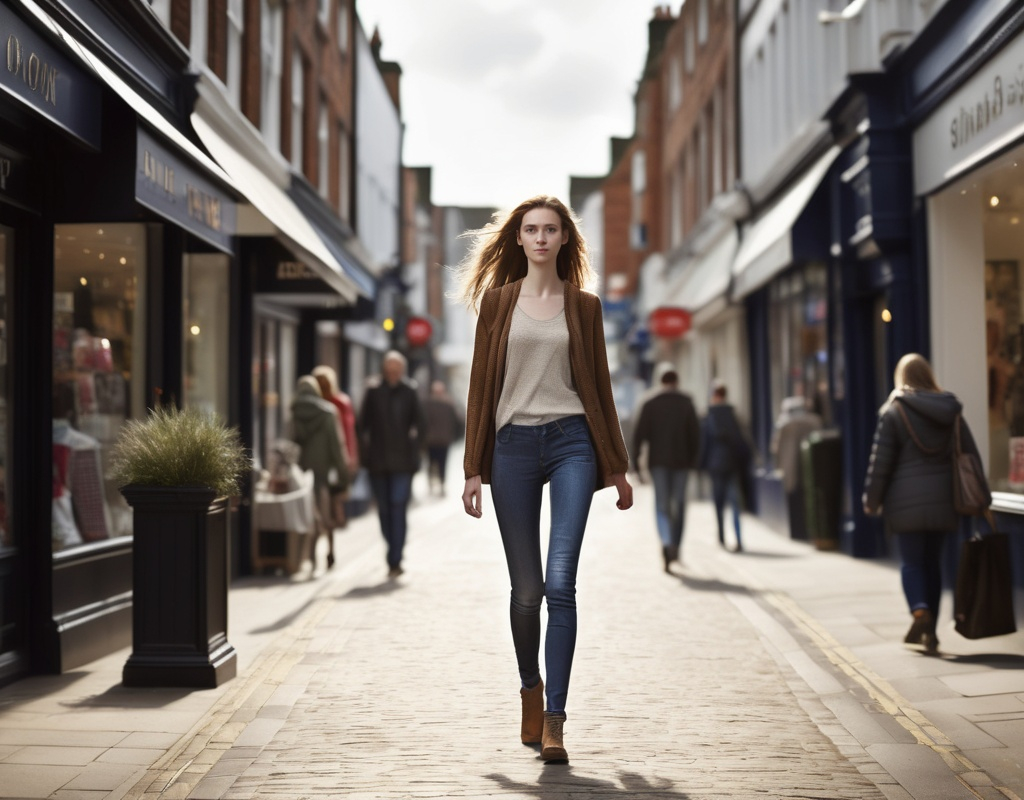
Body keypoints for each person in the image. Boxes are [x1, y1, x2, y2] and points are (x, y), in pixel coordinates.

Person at [459, 195, 633, 763]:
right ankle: (529, 690)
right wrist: (472, 470)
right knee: (527, 592)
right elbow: (481, 389)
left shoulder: (584, 307)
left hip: (572, 444)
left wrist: (618, 466)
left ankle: (555, 718)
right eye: (530, 229)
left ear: (564, 239)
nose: (539, 238)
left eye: (550, 229)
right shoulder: (498, 304)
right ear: (518, 239)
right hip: (511, 449)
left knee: (561, 583)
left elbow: (600, 389)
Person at [862, 353, 984, 654]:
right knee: (933, 564)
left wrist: (871, 500)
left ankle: (920, 612)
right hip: (944, 500)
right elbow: (970, 454)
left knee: (913, 563)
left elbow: (881, 463)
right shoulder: (950, 409)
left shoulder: (894, 412)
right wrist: (984, 497)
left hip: (905, 505)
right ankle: (930, 630)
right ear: (928, 376)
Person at [358, 350, 426, 579]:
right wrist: (364, 453)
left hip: (403, 462)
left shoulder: (410, 391)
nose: (393, 374)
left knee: (398, 506)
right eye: (389, 370)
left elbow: (420, 424)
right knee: (385, 510)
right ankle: (392, 550)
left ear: (402, 371)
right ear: (384, 370)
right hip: (377, 462)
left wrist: (416, 450)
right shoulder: (374, 391)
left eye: (397, 370)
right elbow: (362, 425)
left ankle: (395, 558)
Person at [632, 368, 700, 571]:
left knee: (661, 506)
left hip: (658, 463)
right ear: (677, 381)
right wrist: (694, 462)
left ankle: (666, 541)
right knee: (679, 505)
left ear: (660, 382)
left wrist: (636, 464)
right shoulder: (686, 401)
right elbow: (695, 435)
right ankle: (676, 547)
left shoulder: (650, 402)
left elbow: (639, 435)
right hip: (682, 463)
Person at [290, 376, 348, 570]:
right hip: (324, 471)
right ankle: (329, 552)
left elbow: (289, 442)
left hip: (300, 472)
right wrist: (343, 474)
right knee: (327, 512)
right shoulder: (328, 412)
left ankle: (309, 557)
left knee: (308, 512)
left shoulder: (293, 411)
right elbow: (336, 447)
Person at [699, 381, 749, 552]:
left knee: (719, 503)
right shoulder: (733, 414)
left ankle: (721, 537)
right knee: (735, 504)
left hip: (715, 465)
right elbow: (741, 441)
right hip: (732, 463)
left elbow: (704, 443)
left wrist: (701, 465)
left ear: (714, 395)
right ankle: (738, 538)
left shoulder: (709, 415)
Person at [770, 396, 823, 540]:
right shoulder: (814, 421)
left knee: (794, 501)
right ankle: (811, 532)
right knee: (810, 500)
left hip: (790, 467)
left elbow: (776, 448)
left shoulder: (783, 424)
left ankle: (797, 533)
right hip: (810, 467)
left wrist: (777, 466)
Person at [313, 365, 359, 527]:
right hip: (335, 458)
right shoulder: (339, 403)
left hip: (317, 461)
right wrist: (350, 457)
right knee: (333, 499)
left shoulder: (336, 403)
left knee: (322, 500)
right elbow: (348, 433)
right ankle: (332, 528)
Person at [422, 380, 463, 496]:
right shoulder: (446, 404)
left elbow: (458, 423)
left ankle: (439, 484)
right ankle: (434, 483)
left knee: (438, 463)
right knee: (434, 462)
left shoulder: (445, 405)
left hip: (439, 440)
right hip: (435, 440)